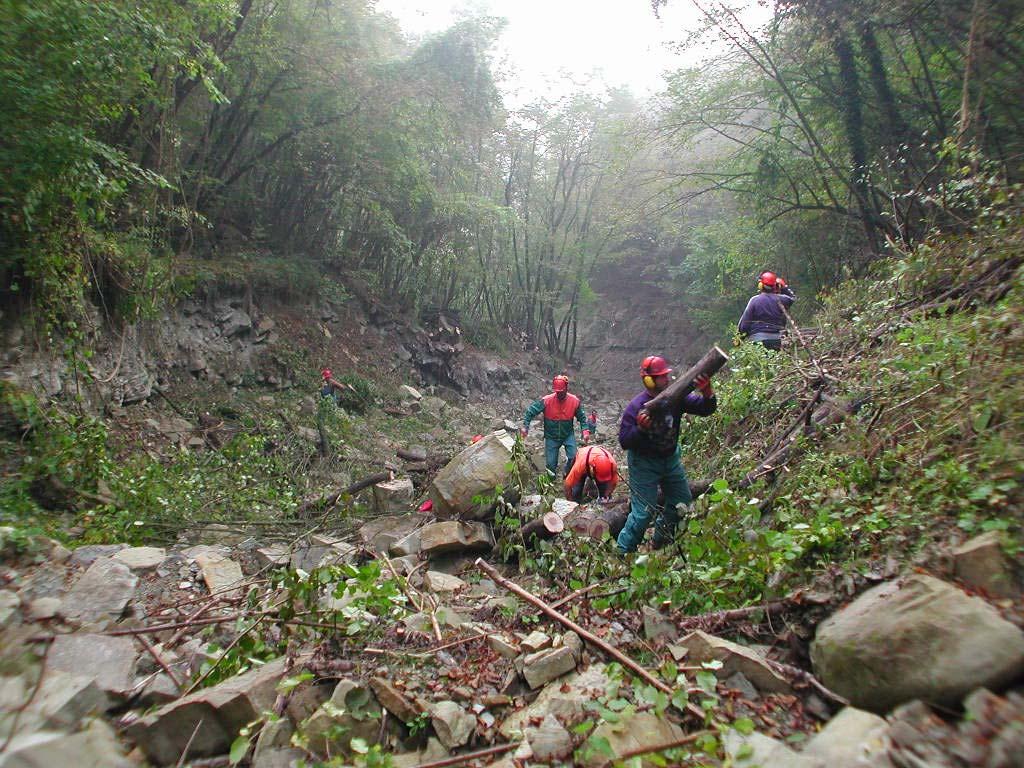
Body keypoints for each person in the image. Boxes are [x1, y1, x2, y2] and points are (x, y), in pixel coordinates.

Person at [617, 355, 717, 554]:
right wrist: (641, 429)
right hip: (644, 463)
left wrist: (707, 392)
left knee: (681, 502)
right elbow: (624, 441)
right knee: (643, 513)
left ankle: (661, 538)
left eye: (666, 376)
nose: (667, 380)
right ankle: (623, 551)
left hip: (670, 459)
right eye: (661, 377)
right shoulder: (637, 407)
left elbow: (706, 409)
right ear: (648, 380)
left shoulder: (676, 398)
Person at [521, 374, 590, 477]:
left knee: (573, 458)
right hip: (551, 437)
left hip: (567, 435)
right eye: (557, 392)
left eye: (561, 392)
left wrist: (585, 431)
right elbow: (531, 411)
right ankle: (550, 483)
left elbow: (582, 418)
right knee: (550, 465)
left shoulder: (574, 401)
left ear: (566, 388)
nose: (559, 394)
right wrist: (525, 426)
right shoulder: (547, 401)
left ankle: (567, 473)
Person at [737, 271, 795, 351]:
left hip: (757, 340)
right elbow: (792, 298)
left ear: (760, 285)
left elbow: (744, 324)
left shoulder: (754, 300)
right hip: (776, 339)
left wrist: (740, 338)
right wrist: (784, 287)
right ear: (775, 286)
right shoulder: (781, 299)